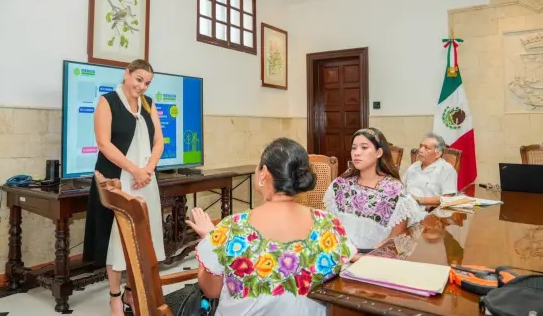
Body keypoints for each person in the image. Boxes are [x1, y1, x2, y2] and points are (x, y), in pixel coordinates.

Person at [185, 138, 356, 316]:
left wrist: (210, 238)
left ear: (263, 173)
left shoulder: (231, 228)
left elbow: (211, 290)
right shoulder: (329, 224)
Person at [82, 59, 165, 316]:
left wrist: (148, 169)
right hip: (118, 180)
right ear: (126, 74)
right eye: (139, 79)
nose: (142, 86)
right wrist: (134, 170)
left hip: (145, 181)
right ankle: (115, 297)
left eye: (147, 83)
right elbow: (104, 144)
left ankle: (132, 291)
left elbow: (159, 141)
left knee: (141, 240)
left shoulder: (149, 105)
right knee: (117, 241)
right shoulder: (107, 102)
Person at [323, 128, 424, 253]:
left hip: (375, 258)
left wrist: (371, 255)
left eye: (364, 148)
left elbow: (395, 239)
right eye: (354, 148)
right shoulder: (340, 184)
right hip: (339, 254)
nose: (357, 153)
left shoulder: (394, 190)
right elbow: (330, 225)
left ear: (379, 152)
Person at [403, 133, 458, 207]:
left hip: (429, 213)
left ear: (437, 154)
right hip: (405, 207)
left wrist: (418, 200)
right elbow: (401, 187)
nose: (421, 150)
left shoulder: (446, 169)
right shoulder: (414, 166)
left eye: (427, 148)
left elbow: (448, 198)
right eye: (421, 146)